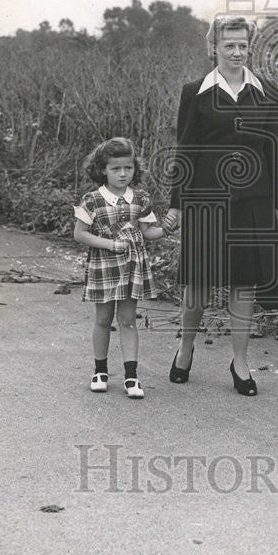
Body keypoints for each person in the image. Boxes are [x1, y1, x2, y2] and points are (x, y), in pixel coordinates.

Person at [164, 16, 278, 396]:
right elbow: (185, 149)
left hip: (251, 202)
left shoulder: (267, 91)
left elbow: (274, 150)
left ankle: (240, 362)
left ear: (250, 47)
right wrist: (177, 205)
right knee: (199, 284)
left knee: (243, 283)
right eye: (228, 45)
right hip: (205, 201)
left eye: (241, 45)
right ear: (213, 48)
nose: (236, 52)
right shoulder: (195, 92)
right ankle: (185, 349)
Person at [73, 137, 171, 399]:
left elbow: (148, 232)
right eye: (115, 168)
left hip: (131, 268)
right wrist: (108, 243)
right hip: (104, 267)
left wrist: (169, 227)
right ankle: (100, 371)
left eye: (127, 168)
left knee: (128, 320)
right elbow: (80, 234)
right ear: (103, 169)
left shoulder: (140, 199)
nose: (122, 173)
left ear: (134, 169)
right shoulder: (92, 200)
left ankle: (131, 376)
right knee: (103, 319)